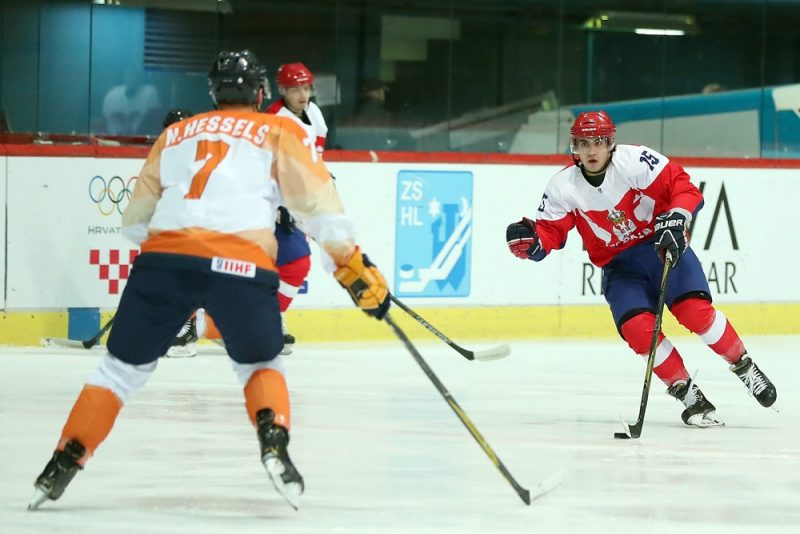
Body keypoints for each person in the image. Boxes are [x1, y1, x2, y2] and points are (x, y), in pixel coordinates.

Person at [29, 49, 390, 511]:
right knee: (260, 365)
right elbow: (319, 210)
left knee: (117, 373)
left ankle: (64, 460)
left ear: (214, 93)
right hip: (242, 266)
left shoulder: (176, 133)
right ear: (261, 93)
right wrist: (352, 268)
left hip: (163, 264)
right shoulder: (278, 129)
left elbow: (134, 225)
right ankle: (273, 442)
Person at [505, 111, 777, 428]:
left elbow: (684, 188)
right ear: (574, 147)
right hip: (620, 269)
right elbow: (550, 231)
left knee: (695, 312)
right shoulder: (563, 186)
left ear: (611, 143)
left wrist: (678, 216)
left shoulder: (634, 161)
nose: (591, 151)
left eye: (598, 142)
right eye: (583, 143)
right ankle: (689, 394)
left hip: (660, 249)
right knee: (638, 331)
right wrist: (533, 242)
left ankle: (744, 366)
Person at [265, 62, 328, 354]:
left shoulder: (314, 114)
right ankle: (196, 320)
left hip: (295, 204)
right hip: (266, 206)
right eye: (294, 89)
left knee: (297, 264)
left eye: (306, 88)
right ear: (282, 91)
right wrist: (280, 201)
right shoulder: (273, 118)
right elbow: (266, 164)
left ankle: (272, 318)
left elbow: (312, 163)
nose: (302, 94)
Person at [101, 65, 161, 135]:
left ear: (140, 77)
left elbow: (155, 120)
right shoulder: (112, 95)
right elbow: (103, 122)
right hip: (113, 141)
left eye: (135, 75)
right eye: (128, 74)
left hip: (140, 140)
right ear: (123, 76)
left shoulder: (150, 93)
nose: (132, 78)